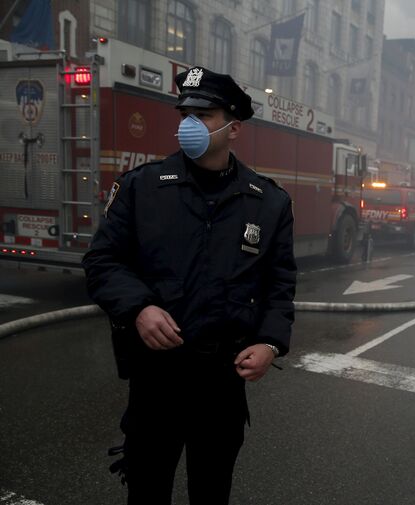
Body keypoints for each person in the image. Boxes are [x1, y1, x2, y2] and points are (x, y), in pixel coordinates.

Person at [82, 66, 296, 505]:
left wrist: (270, 343)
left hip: (222, 384)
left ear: (233, 128)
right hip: (157, 380)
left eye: (205, 115)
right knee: (146, 488)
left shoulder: (269, 202)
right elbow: (102, 261)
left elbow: (280, 283)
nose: (189, 125)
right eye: (185, 113)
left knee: (212, 490)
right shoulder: (143, 188)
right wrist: (139, 308)